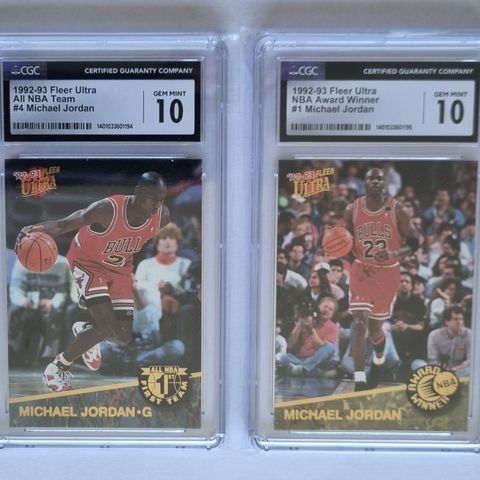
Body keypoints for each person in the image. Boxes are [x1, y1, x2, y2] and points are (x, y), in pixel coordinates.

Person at [17, 172, 169, 392]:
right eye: (151, 199)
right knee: (106, 326)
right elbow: (63, 224)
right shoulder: (108, 209)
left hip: (120, 268)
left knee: (123, 336)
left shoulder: (162, 217)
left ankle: (86, 331)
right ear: (138, 192)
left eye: (161, 199)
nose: (156, 205)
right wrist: (34, 230)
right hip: (87, 262)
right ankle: (56, 368)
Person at [344, 167, 420, 391]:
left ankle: (378, 360)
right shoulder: (352, 209)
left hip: (387, 273)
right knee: (359, 322)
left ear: (384, 183)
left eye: (379, 178)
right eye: (371, 178)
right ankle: (359, 377)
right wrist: (344, 249)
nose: (375, 181)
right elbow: (346, 241)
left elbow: (415, 242)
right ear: (364, 183)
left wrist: (394, 253)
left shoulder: (397, 209)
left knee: (375, 330)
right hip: (362, 271)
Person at [279, 297, 339, 376]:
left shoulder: (333, 327)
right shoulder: (307, 320)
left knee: (329, 347)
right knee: (284, 358)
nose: (327, 310)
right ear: (318, 307)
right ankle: (316, 372)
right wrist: (299, 325)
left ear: (332, 314)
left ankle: (302, 369)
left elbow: (323, 349)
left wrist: (311, 330)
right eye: (325, 307)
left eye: (330, 309)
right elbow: (290, 345)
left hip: (318, 360)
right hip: (301, 358)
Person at [427, 306, 471, 377]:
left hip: (459, 370)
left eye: (461, 319)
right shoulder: (434, 335)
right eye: (455, 319)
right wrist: (441, 370)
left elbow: (471, 360)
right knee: (417, 363)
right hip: (439, 370)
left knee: (471, 370)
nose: (459, 322)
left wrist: (454, 369)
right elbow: (433, 359)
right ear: (446, 322)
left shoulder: (469, 334)